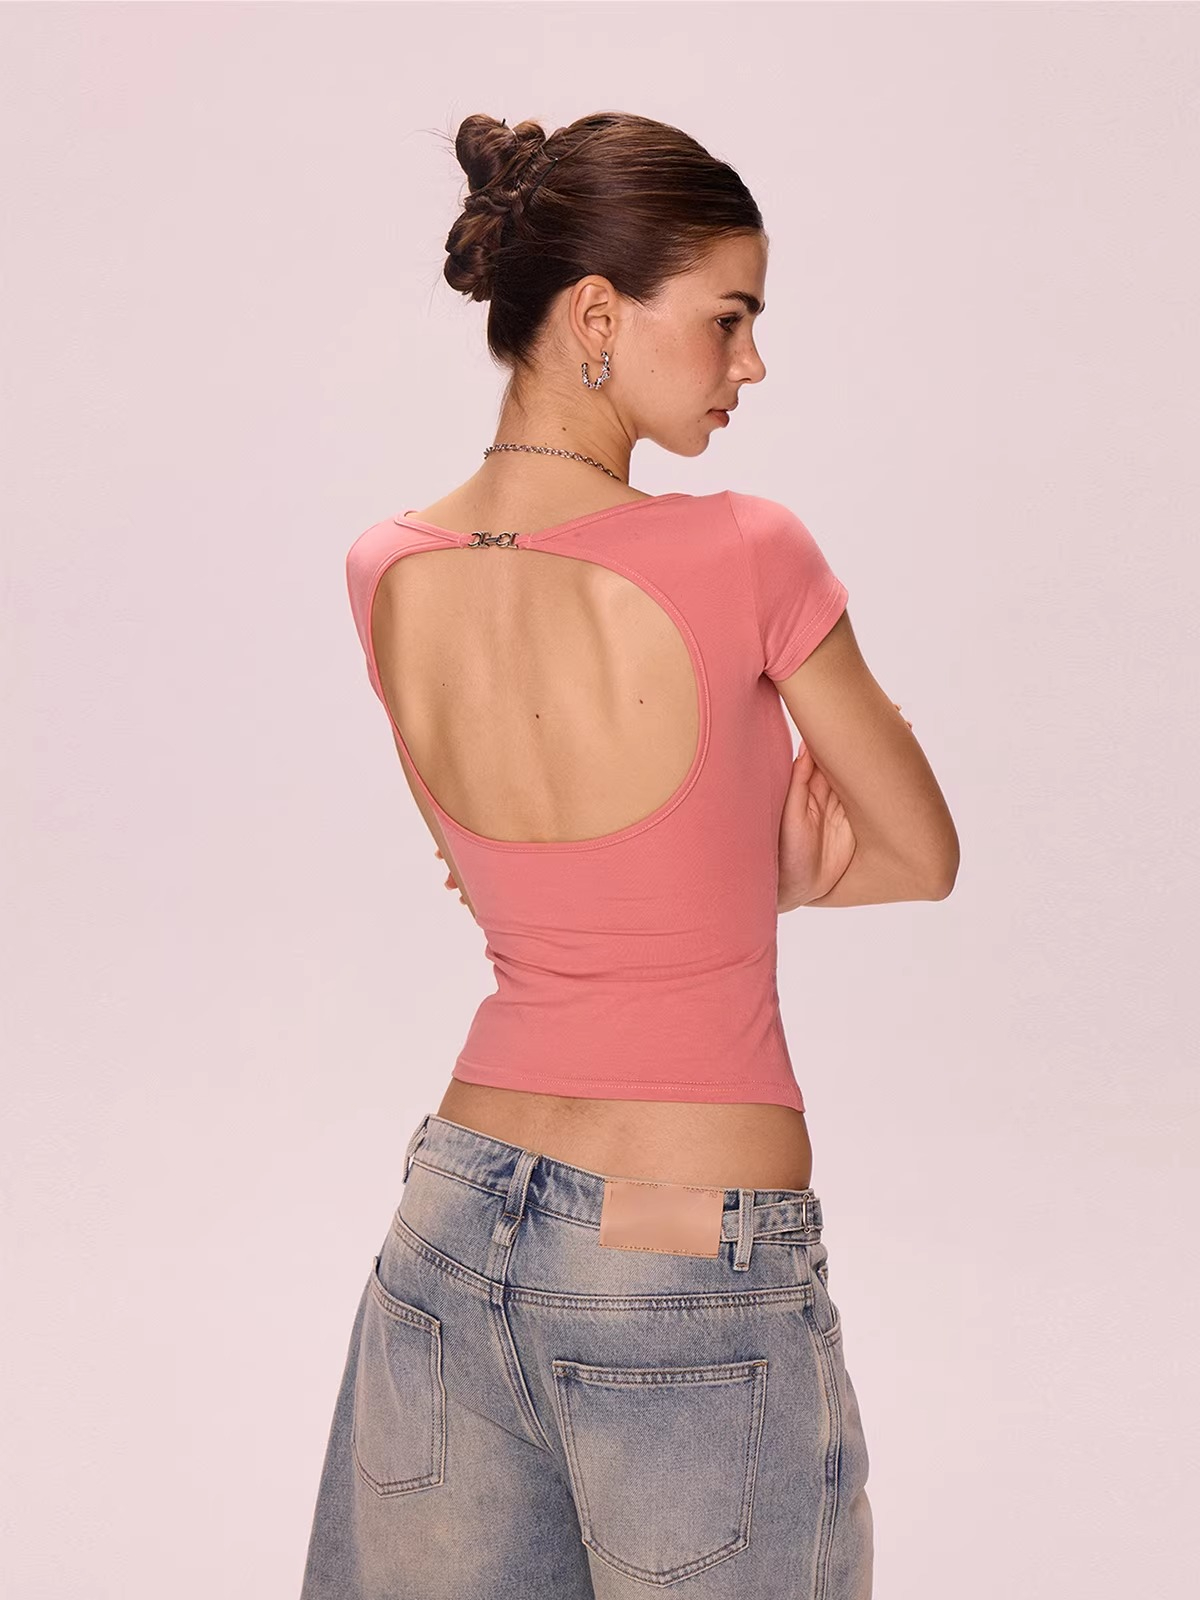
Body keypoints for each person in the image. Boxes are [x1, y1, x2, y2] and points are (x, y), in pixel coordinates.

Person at [300, 111, 959, 1600]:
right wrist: (769, 869)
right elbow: (921, 852)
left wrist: (698, 870)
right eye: (729, 318)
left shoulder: (384, 569)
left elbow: (490, 873)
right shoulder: (747, 551)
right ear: (597, 315)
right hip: (676, 1246)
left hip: (450, 1219)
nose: (750, 364)